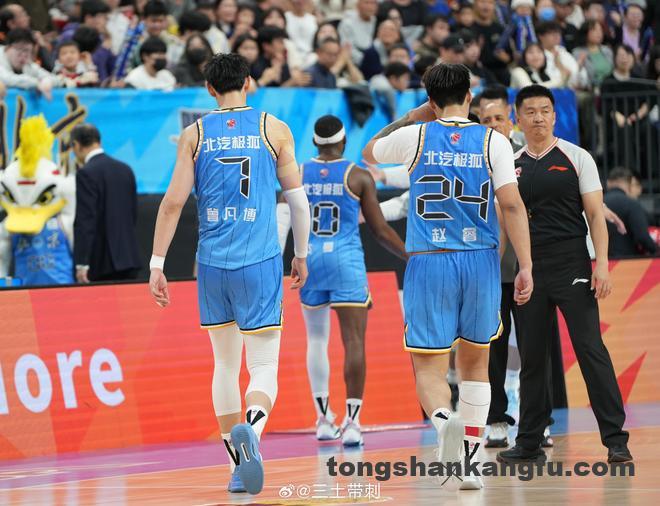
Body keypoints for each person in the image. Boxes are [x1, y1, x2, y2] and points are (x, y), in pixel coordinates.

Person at [362, 63, 533, 490]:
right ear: (470, 96)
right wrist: (526, 265)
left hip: (430, 259)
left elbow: (369, 151)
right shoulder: (493, 140)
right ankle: (472, 462)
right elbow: (512, 205)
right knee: (476, 364)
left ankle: (444, 424)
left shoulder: (417, 135)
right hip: (480, 261)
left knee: (429, 369)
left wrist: (413, 116)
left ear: (431, 101)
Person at [148, 53, 310, 495]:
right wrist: (300, 254)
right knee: (263, 365)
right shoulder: (274, 128)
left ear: (209, 89)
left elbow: (172, 204)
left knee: (224, 364)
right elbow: (297, 203)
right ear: (249, 82)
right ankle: (252, 432)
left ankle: (238, 468)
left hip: (212, 263)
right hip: (259, 260)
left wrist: (157, 263)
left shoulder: (194, 134)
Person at [497, 84, 632, 465]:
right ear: (518, 118)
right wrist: (498, 268)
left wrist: (601, 264)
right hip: (529, 268)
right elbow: (505, 222)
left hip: (572, 263)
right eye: (530, 111)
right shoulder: (510, 164)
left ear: (554, 116)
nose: (538, 117)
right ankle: (529, 442)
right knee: (533, 357)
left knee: (590, 349)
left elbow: (596, 216)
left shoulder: (577, 157)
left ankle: (616, 440)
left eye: (545, 110)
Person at [278, 115, 407, 446]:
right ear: (344, 141)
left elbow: (281, 223)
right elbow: (380, 230)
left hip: (309, 260)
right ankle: (353, 423)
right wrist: (410, 256)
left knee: (316, 340)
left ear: (315, 143)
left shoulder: (297, 173)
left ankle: (323, 419)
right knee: (353, 341)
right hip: (346, 261)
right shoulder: (358, 176)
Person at [72, 124, 141, 283]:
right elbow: (133, 214)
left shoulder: (86, 173)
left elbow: (85, 220)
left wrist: (82, 263)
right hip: (130, 258)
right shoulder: (125, 169)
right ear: (99, 141)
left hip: (102, 263)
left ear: (76, 145)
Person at [604, 168, 657, 257]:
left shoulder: (598, 204)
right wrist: (656, 250)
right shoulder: (632, 204)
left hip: (600, 261)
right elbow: (642, 237)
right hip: (627, 261)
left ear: (608, 183)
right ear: (629, 185)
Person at [0, 28, 60, 98]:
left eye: (28, 51)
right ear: (7, 48)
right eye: (20, 49)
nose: (23, 55)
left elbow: (54, 79)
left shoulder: (27, 62)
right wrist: (37, 83)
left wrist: (47, 82)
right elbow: (7, 79)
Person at [338, 0, 378, 66]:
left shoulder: (377, 21)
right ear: (358, 5)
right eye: (367, 3)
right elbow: (347, 49)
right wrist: (367, 60)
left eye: (373, 3)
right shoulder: (347, 24)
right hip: (356, 62)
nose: (370, 7)